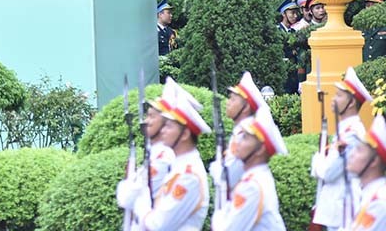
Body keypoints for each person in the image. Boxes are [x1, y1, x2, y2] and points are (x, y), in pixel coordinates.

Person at [120, 84, 212, 231]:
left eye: (169, 126)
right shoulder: (180, 166)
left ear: (185, 134)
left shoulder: (189, 176)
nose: (163, 131)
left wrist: (139, 198)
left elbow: (158, 224)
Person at [312, 66, 372, 230]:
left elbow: (330, 174)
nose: (333, 99)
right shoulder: (345, 130)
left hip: (343, 209)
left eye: (339, 96)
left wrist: (317, 161)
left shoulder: (352, 135)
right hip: (336, 208)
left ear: (352, 102)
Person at [211, 105, 288, 231]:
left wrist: (219, 214)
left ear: (260, 149)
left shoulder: (251, 186)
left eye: (246, 138)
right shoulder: (255, 178)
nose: (238, 142)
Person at [212, 72, 270, 203]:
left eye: (233, 99)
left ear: (246, 107)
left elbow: (230, 175)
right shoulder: (240, 131)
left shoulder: (247, 134)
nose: (227, 103)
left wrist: (216, 170)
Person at [346, 114, 386, 231]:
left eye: (359, 150)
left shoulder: (378, 203)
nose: (352, 154)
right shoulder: (366, 193)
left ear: (374, 161)